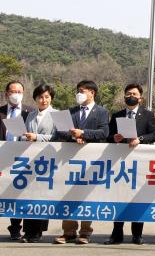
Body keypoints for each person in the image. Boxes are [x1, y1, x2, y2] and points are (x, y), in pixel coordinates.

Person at [52, 80, 110, 245]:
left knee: (87, 196)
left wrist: (84, 133)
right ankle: (68, 232)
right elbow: (60, 132)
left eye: (83, 91)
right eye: (78, 90)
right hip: (70, 161)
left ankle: (85, 232)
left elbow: (104, 132)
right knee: (68, 195)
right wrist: (74, 136)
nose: (79, 93)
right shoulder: (70, 112)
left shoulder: (102, 112)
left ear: (92, 93)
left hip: (91, 161)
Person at [0, 81, 35, 242]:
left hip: (20, 161)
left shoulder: (29, 112)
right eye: (12, 91)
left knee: (16, 196)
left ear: (23, 93)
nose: (16, 94)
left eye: (19, 91)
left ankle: (15, 229)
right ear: (6, 94)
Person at [104, 83, 155, 245]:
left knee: (138, 198)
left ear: (140, 98)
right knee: (119, 198)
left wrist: (139, 139)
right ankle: (116, 234)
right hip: (120, 164)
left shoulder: (147, 115)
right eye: (127, 94)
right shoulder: (117, 115)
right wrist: (114, 138)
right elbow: (108, 136)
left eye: (133, 93)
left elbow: (154, 133)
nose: (130, 96)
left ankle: (137, 234)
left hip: (139, 163)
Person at [18, 84, 57, 243]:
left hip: (46, 159)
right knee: (28, 195)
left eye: (47, 97)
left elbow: (56, 136)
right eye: (40, 97)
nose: (44, 100)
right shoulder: (30, 115)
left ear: (51, 98)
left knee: (42, 196)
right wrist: (23, 136)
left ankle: (38, 231)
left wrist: (37, 137)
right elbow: (25, 133)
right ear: (35, 99)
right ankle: (27, 231)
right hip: (29, 159)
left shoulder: (57, 114)